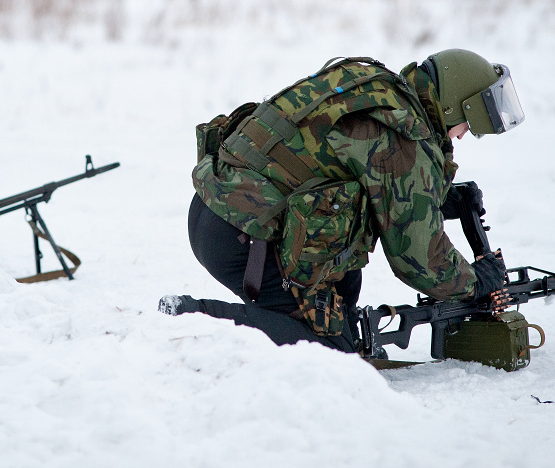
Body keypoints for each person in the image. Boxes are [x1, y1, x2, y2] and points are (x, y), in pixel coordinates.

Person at [159, 51, 525, 354]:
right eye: (467, 124)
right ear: (451, 107)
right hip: (242, 236)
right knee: (325, 352)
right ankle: (191, 319)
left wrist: (441, 200)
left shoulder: (376, 89)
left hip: (220, 209)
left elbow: (369, 183)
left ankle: (323, 327)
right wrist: (475, 282)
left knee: (345, 288)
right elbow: (419, 259)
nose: (465, 135)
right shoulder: (403, 137)